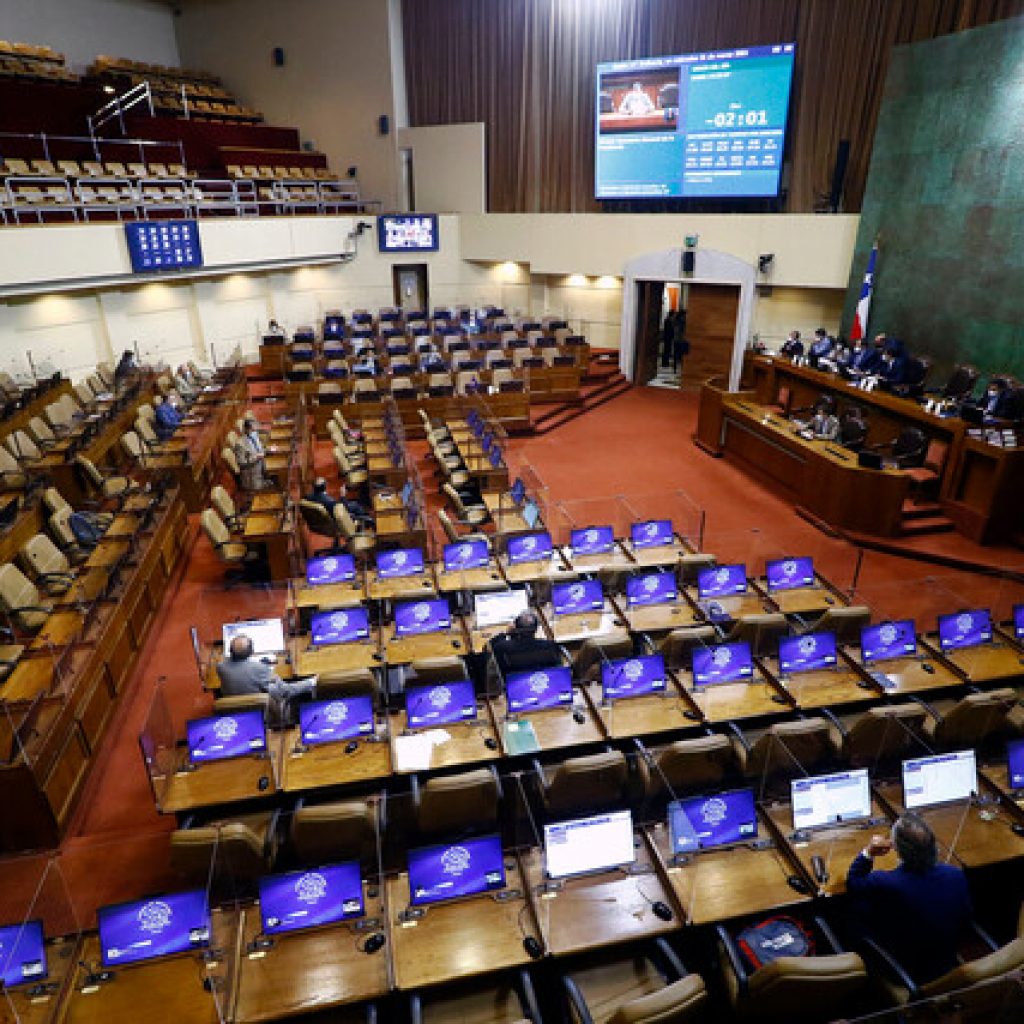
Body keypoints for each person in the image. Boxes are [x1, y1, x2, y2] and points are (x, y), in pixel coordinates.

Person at [846, 814, 972, 985]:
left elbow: (854, 883)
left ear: (896, 848)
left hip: (904, 972)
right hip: (945, 962)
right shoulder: (956, 875)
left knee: (853, 912)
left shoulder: (885, 882)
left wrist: (868, 852)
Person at [216, 634, 316, 725]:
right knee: (289, 694)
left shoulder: (220, 668)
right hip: (263, 715)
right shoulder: (260, 669)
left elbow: (236, 667)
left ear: (230, 651)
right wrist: (311, 682)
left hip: (236, 715)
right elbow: (285, 691)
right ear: (252, 651)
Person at [487, 609, 561, 685]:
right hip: (545, 682)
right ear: (536, 629)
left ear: (516, 628)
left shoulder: (502, 647)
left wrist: (506, 633)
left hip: (515, 685)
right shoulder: (549, 645)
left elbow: (487, 648)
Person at [233, 417, 268, 491]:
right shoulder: (240, 445)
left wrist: (266, 450)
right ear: (246, 429)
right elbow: (241, 463)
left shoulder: (254, 435)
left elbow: (258, 448)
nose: (255, 432)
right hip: (251, 476)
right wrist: (256, 457)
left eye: (255, 430)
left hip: (261, 466)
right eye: (252, 430)